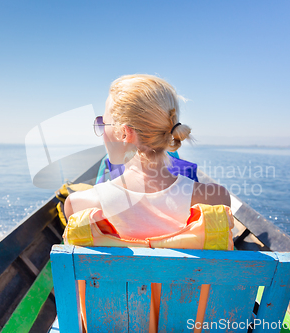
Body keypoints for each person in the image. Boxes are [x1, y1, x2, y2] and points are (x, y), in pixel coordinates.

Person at [63, 74, 233, 333]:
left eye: (103, 123)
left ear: (124, 133)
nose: (101, 132)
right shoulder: (216, 200)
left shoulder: (79, 206)